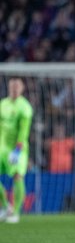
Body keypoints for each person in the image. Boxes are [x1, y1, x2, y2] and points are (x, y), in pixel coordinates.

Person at [0, 78, 33, 224]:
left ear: (22, 88)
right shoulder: (3, 104)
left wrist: (18, 148)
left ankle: (16, 212)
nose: (14, 88)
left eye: (17, 86)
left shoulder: (25, 107)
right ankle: (6, 207)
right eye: (12, 86)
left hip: (18, 149)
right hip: (2, 147)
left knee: (18, 177)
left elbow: (24, 129)